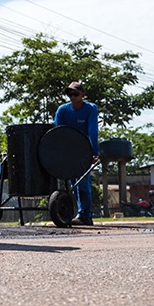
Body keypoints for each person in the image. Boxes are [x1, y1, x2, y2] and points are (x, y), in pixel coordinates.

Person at [54, 80, 99, 225]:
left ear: (83, 94)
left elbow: (93, 131)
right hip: (68, 150)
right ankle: (73, 212)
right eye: (70, 94)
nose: (72, 97)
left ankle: (85, 215)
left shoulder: (90, 108)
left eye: (75, 94)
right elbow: (58, 132)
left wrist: (94, 151)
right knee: (72, 183)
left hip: (83, 149)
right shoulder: (62, 110)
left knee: (82, 183)